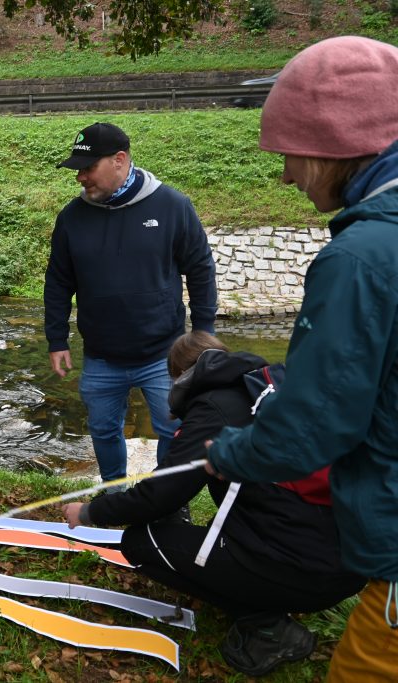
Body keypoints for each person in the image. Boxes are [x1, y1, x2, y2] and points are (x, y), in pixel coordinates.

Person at [205, 36, 398, 682]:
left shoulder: (361, 258)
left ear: (332, 144)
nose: (285, 174)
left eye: (288, 151)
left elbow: (316, 424)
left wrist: (224, 452)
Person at [63, 331, 364, 676]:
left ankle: (268, 627)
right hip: (348, 561)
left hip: (306, 567)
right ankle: (266, 586)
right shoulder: (267, 387)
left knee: (140, 542)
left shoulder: (215, 408)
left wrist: (88, 511)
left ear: (179, 375)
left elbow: (159, 496)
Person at [45, 122, 217, 481]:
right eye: (78, 169)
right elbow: (59, 282)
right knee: (105, 430)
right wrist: (57, 339)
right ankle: (113, 492)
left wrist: (203, 334)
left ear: (119, 161)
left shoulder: (172, 206)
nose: (80, 177)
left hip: (164, 354)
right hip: (101, 356)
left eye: (87, 168)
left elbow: (200, 268)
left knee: (173, 430)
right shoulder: (72, 218)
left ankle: (166, 502)